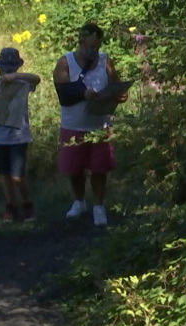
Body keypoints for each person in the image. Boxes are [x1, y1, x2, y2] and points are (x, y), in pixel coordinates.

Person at [52, 22, 128, 227]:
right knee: (74, 168)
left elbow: (115, 85)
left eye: (97, 47)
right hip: (73, 125)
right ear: (81, 41)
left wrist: (120, 95)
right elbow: (63, 93)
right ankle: (79, 202)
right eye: (90, 46)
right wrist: (83, 93)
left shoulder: (105, 61)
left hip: (100, 125)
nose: (94, 51)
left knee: (99, 168)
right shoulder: (65, 62)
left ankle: (99, 206)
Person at [0, 47, 41, 222]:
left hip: (19, 136)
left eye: (11, 69)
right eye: (5, 69)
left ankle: (27, 204)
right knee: (4, 174)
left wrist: (16, 77)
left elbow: (36, 79)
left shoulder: (23, 83)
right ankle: (10, 206)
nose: (7, 71)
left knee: (18, 175)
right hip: (0, 135)